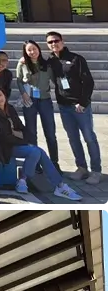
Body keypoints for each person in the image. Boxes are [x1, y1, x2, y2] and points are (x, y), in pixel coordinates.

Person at [0, 87, 81, 200]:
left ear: (4, 95)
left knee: (39, 152)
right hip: (5, 148)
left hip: (17, 143)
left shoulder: (10, 109)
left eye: (0, 95)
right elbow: (5, 137)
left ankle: (58, 185)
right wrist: (23, 140)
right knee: (35, 151)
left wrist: (22, 138)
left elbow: (21, 128)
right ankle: (27, 180)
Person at [46, 30, 101, 185]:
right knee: (73, 138)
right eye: (50, 42)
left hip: (80, 106)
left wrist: (83, 103)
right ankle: (81, 168)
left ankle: (95, 171)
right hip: (64, 106)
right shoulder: (51, 61)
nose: (54, 44)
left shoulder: (76, 59)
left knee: (89, 137)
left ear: (62, 41)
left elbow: (88, 82)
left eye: (56, 41)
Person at [16, 40, 59, 169]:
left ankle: (54, 163)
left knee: (50, 132)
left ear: (38, 49)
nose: (32, 52)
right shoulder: (22, 63)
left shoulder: (46, 64)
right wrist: (23, 93)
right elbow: (18, 80)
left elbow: (54, 79)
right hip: (29, 100)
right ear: (25, 52)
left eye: (34, 49)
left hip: (45, 100)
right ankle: (34, 163)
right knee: (31, 132)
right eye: (29, 50)